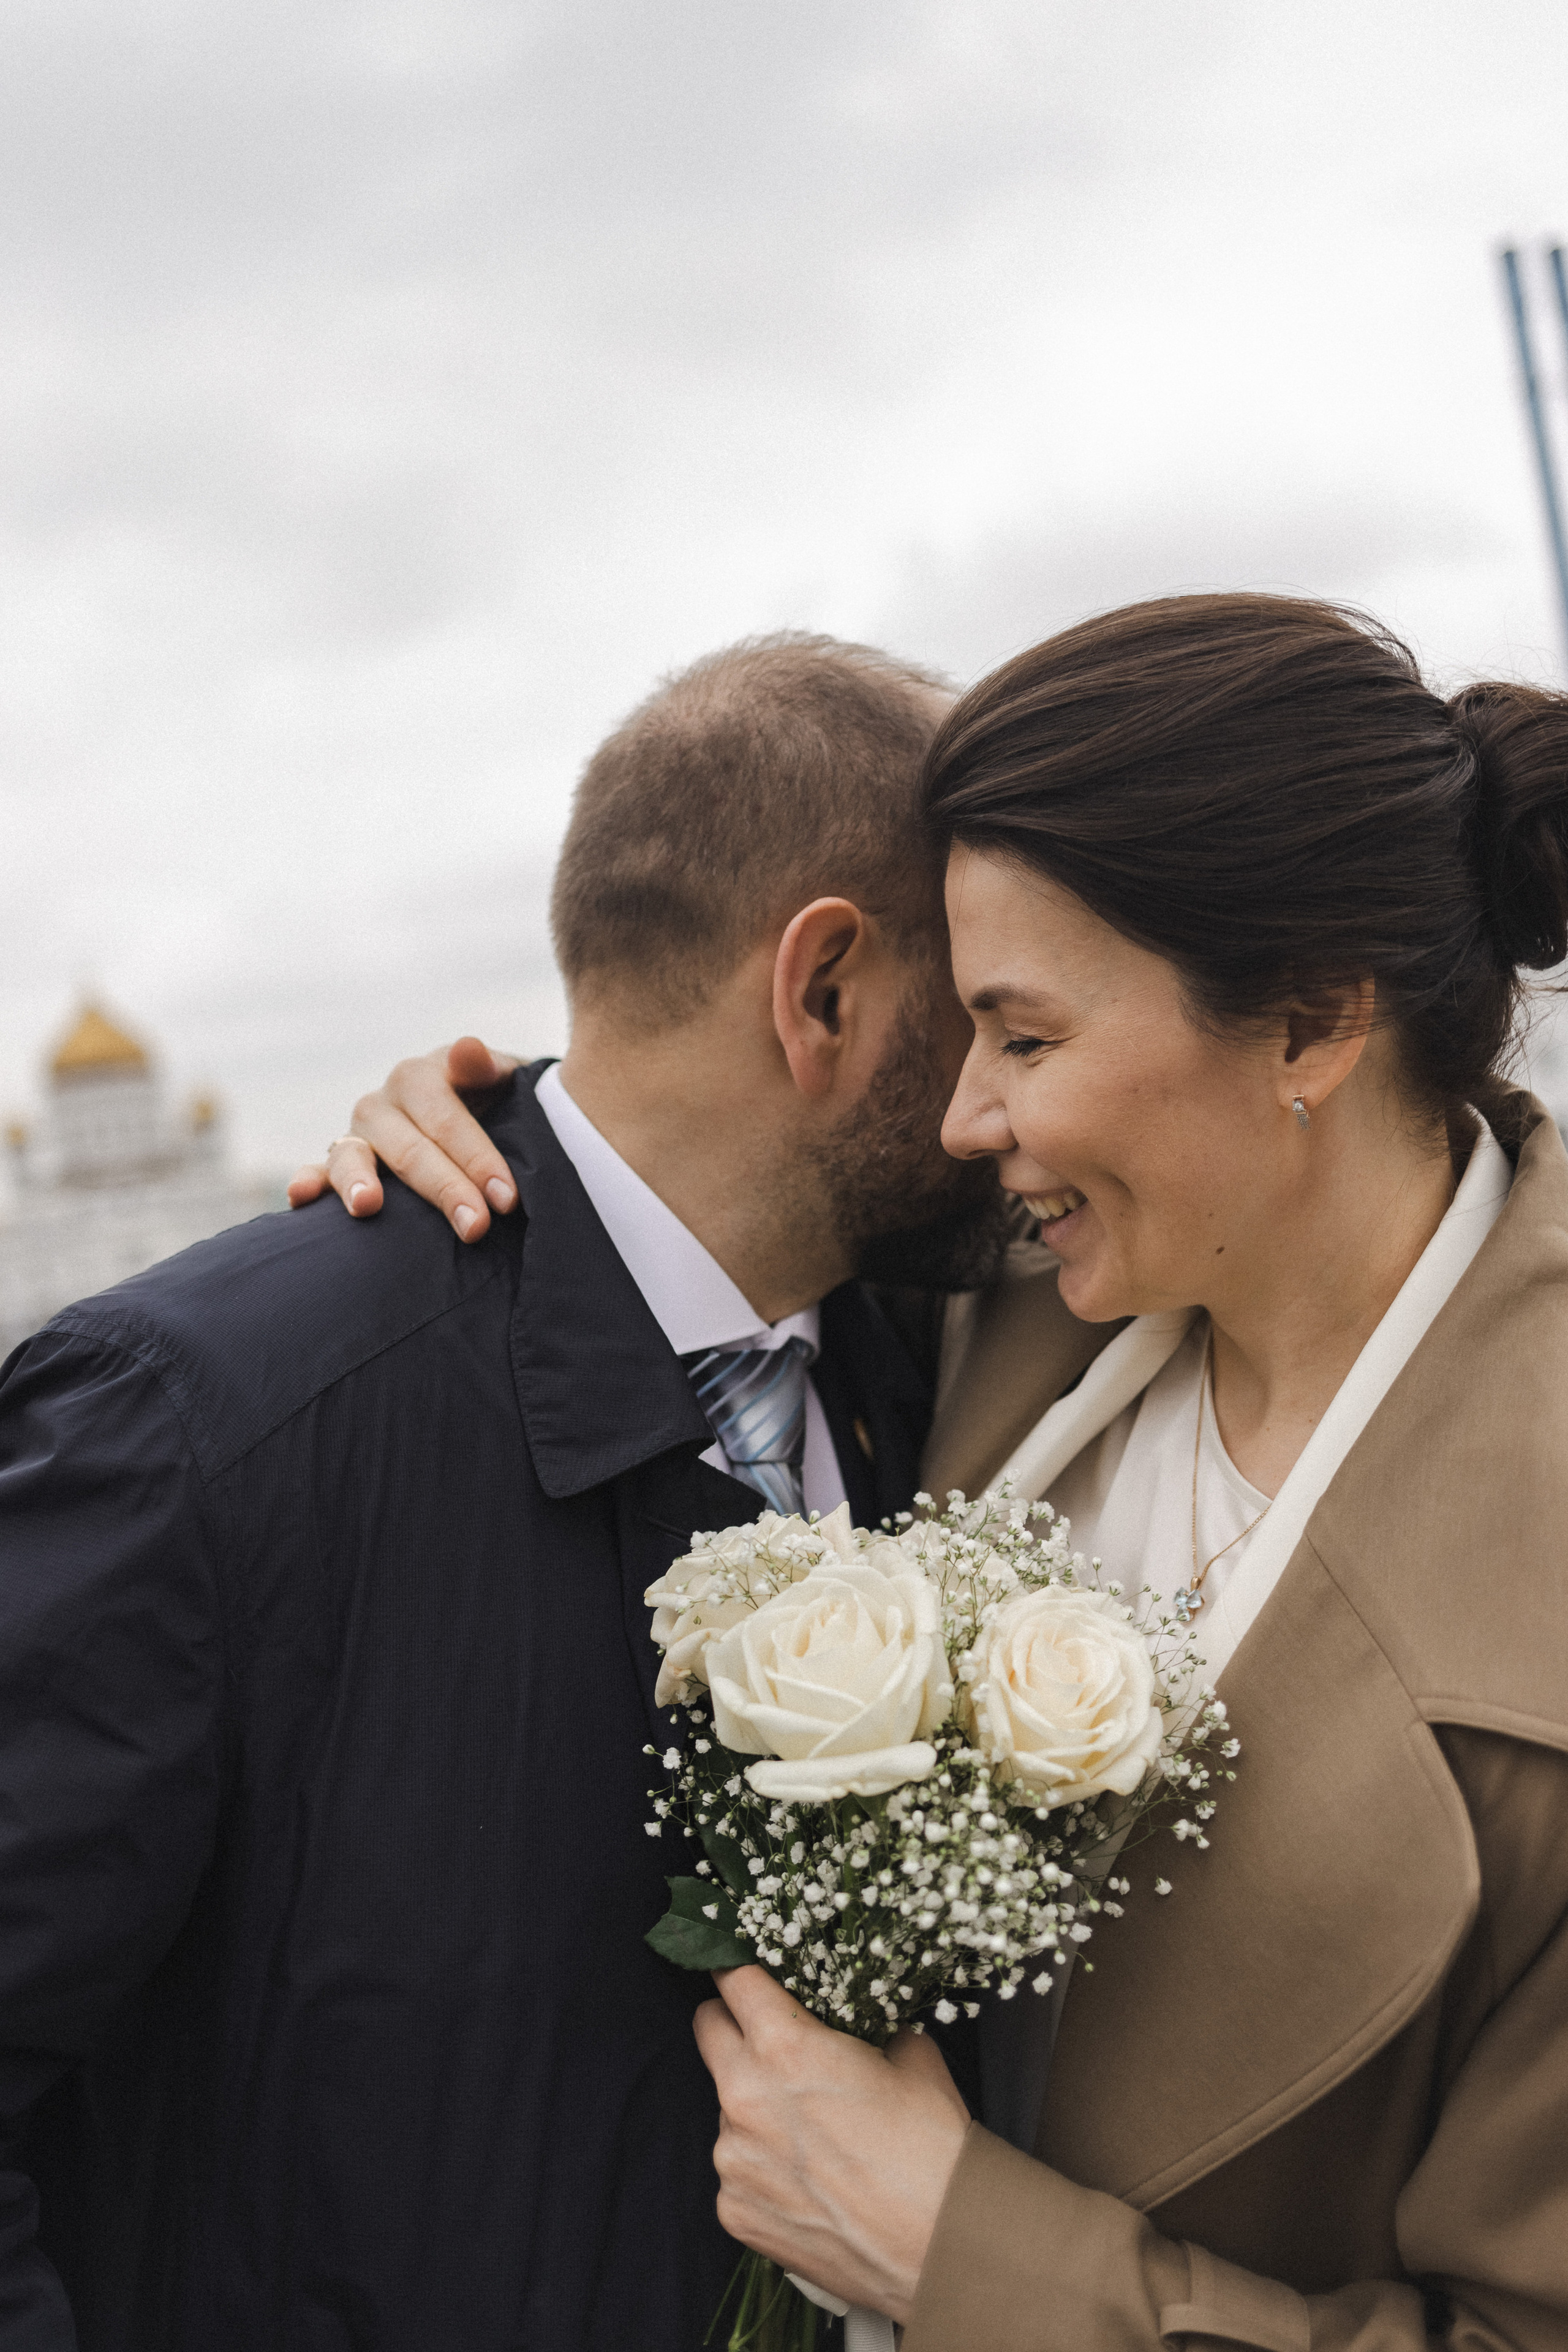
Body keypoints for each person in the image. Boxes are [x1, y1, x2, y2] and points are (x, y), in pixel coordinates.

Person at [0, 633, 1018, 2351]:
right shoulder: (203, 1427)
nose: (1004, 1103)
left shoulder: (932, 1362)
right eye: (986, 1013)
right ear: (824, 993)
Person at [676, 595, 1568, 2350]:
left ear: (1311, 1022)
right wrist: (476, 1145)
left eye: (1025, 1038)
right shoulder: (997, 1304)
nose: (965, 1119)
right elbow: (673, 1200)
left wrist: (961, 2257)